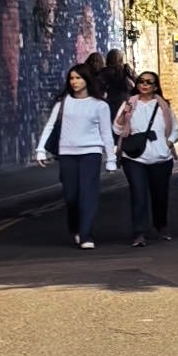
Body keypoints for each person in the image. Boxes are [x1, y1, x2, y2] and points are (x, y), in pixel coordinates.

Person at [38, 63, 115, 249]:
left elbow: (106, 133)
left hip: (91, 153)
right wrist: (40, 149)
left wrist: (111, 159)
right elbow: (50, 126)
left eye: (78, 78)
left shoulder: (100, 105)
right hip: (67, 153)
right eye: (72, 78)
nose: (74, 82)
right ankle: (76, 228)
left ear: (87, 80)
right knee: (71, 195)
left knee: (88, 194)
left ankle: (86, 234)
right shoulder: (62, 103)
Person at [115, 67, 178, 250]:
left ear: (156, 87)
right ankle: (139, 232)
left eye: (149, 82)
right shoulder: (129, 104)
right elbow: (117, 129)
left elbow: (175, 129)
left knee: (160, 195)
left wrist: (168, 143)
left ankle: (161, 225)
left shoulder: (163, 106)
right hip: (134, 158)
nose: (144, 84)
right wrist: (123, 115)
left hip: (160, 157)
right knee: (138, 193)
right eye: (141, 81)